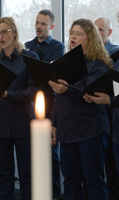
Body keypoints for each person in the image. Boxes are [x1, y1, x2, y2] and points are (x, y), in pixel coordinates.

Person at [48, 18, 112, 200]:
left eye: (79, 34)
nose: (73, 37)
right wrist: (53, 122)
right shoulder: (65, 62)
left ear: (90, 38)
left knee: (94, 182)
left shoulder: (98, 64)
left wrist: (67, 88)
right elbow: (57, 96)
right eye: (71, 33)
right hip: (67, 131)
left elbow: (89, 92)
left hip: (90, 130)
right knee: (70, 181)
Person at [0, 17, 38, 200]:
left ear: (14, 32)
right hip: (0, 125)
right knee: (4, 175)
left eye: (5, 31)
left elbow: (34, 90)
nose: (1, 36)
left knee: (27, 175)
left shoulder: (30, 58)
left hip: (24, 122)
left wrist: (9, 95)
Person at [25, 9, 65, 200]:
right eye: (37, 23)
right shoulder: (27, 46)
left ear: (52, 26)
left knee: (51, 153)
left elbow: (53, 73)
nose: (39, 27)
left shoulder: (58, 47)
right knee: (32, 154)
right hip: (31, 101)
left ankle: (55, 194)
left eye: (43, 24)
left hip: (50, 102)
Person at [94, 16, 119, 200]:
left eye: (101, 30)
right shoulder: (86, 55)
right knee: (106, 170)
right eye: (94, 30)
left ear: (109, 32)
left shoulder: (116, 54)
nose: (97, 33)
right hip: (96, 120)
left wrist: (109, 99)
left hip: (113, 115)